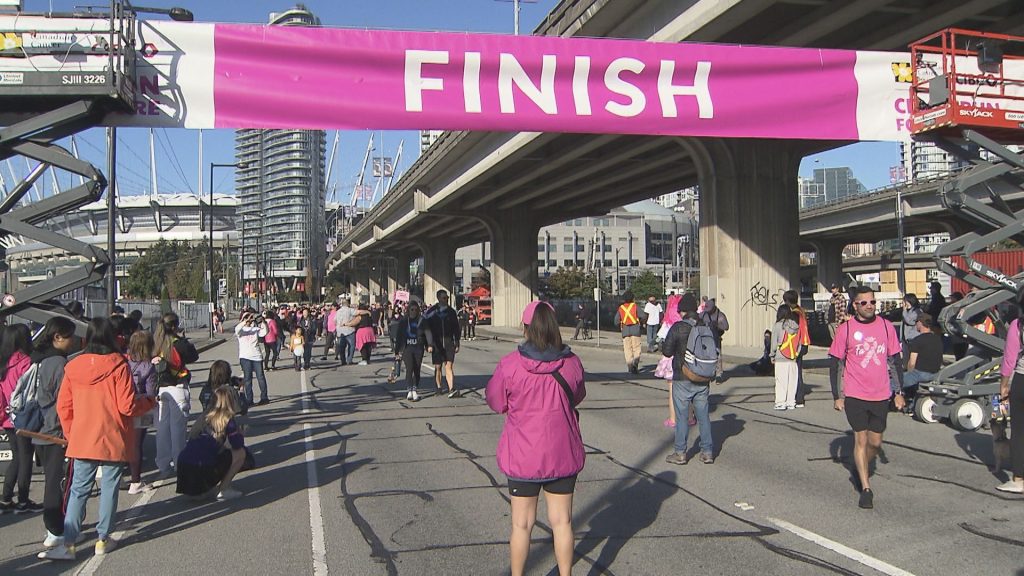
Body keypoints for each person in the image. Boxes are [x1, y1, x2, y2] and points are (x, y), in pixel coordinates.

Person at [40, 317, 156, 560]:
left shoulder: (72, 366)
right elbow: (126, 406)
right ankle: (103, 539)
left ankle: (69, 543)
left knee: (78, 491)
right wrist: (147, 402)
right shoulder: (118, 365)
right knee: (109, 488)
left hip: (82, 437)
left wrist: (72, 433)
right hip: (112, 436)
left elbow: (64, 406)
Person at [486, 301, 585, 576]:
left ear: (525, 328)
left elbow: (495, 401)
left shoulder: (510, 365)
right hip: (561, 452)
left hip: (523, 455)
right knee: (562, 521)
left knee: (521, 524)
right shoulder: (572, 363)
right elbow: (578, 395)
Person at [829, 286, 905, 509]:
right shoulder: (847, 329)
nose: (869, 306)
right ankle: (865, 487)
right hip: (855, 393)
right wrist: (838, 395)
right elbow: (835, 363)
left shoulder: (885, 326)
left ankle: (861, 463)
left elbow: (895, 361)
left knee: (875, 442)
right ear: (855, 305)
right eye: (863, 303)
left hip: (881, 393)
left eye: (872, 302)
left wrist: (899, 393)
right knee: (860, 440)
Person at [30, 317, 77, 550]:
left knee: (52, 479)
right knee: (57, 483)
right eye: (70, 336)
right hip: (55, 431)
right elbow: (65, 401)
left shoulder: (37, 359)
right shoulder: (58, 363)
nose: (73, 341)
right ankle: (56, 529)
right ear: (57, 337)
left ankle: (54, 527)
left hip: (38, 429)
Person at [662, 293, 715, 465]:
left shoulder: (678, 327)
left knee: (682, 417)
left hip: (682, 377)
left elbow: (667, 352)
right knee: (703, 416)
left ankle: (680, 453)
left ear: (682, 311)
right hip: (702, 377)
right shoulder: (705, 325)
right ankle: (707, 452)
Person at [176, 386, 250, 501]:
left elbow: (192, 437)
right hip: (201, 469)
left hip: (184, 468)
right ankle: (223, 490)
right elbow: (237, 444)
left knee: (210, 453)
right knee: (240, 453)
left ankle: (202, 490)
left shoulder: (204, 417)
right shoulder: (227, 420)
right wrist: (241, 433)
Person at [153, 313, 198, 481]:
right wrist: (183, 338)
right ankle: (180, 464)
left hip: (161, 389)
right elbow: (193, 356)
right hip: (177, 386)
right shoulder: (177, 344)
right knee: (178, 430)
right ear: (174, 326)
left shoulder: (155, 343)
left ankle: (163, 464)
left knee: (162, 429)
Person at [0, 324, 40, 513]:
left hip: (7, 418)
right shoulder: (26, 362)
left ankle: (6, 497)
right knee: (25, 458)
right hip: (24, 416)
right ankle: (23, 499)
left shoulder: (3, 363)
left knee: (17, 457)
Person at [997, 291, 1024, 493]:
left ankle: (1019, 478)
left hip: (1022, 380)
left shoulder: (1018, 325)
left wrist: (1004, 384)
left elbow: (1009, 359)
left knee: (1019, 431)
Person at [125, 330, 158, 495]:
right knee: (137, 445)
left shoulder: (123, 361)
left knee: (126, 442)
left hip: (123, 405)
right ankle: (135, 481)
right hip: (142, 406)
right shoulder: (149, 367)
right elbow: (151, 392)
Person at [902, 313, 943, 413]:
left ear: (920, 323)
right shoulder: (938, 339)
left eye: (916, 322)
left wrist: (908, 372)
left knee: (896, 382)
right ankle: (912, 405)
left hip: (920, 374)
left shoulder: (917, 340)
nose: (916, 324)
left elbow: (912, 363)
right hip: (935, 373)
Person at [424, 289, 461, 398]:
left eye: (447, 298)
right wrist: (428, 344)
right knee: (438, 367)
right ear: (439, 298)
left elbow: (456, 328)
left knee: (449, 366)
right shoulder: (432, 312)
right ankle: (439, 387)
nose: (446, 300)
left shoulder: (451, 312)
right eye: (444, 298)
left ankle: (451, 389)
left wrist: (457, 341)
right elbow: (427, 329)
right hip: (437, 343)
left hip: (449, 343)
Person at [394, 301, 427, 401]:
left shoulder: (421, 321)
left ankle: (415, 390)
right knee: (410, 368)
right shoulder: (404, 322)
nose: (414, 311)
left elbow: (426, 333)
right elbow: (399, 336)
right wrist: (397, 351)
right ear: (408, 310)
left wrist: (428, 345)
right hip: (407, 348)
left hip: (418, 348)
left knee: (417, 369)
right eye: (412, 309)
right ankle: (409, 390)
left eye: (416, 310)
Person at [783, 290, 811, 408]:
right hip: (804, 342)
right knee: (798, 370)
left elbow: (793, 331)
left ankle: (798, 398)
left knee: (796, 372)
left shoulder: (794, 314)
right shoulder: (801, 310)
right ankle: (798, 396)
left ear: (788, 301)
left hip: (797, 344)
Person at [236, 310, 270, 404]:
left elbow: (265, 332)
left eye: (250, 317)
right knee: (247, 379)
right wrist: (245, 321)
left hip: (257, 356)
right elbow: (237, 328)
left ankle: (264, 398)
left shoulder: (255, 329)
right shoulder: (240, 331)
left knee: (260, 377)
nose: (249, 319)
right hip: (245, 357)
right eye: (246, 317)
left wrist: (264, 322)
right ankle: (249, 400)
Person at [771, 305, 801, 410]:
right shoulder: (796, 325)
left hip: (781, 356)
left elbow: (774, 343)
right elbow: (799, 342)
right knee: (792, 382)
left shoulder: (778, 325)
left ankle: (780, 402)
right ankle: (791, 401)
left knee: (780, 381)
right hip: (793, 357)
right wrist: (796, 353)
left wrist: (772, 355)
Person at [700, 298, 729, 379]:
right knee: (705, 356)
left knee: (718, 356)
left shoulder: (720, 315)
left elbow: (726, 327)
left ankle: (718, 374)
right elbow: (697, 320)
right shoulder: (703, 314)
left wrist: (717, 325)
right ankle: (707, 373)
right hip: (705, 339)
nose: (708, 311)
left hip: (716, 338)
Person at [615, 291, 642, 374]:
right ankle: (635, 363)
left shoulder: (621, 308)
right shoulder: (635, 306)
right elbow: (643, 315)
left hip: (625, 330)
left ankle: (630, 366)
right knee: (636, 348)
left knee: (627, 349)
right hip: (635, 329)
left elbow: (616, 321)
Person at [335, 298, 357, 365]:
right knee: (351, 346)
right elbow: (357, 313)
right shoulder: (350, 310)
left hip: (340, 331)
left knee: (342, 347)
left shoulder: (338, 311)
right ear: (348, 304)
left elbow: (334, 320)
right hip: (349, 330)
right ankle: (349, 360)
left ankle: (343, 360)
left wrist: (338, 326)